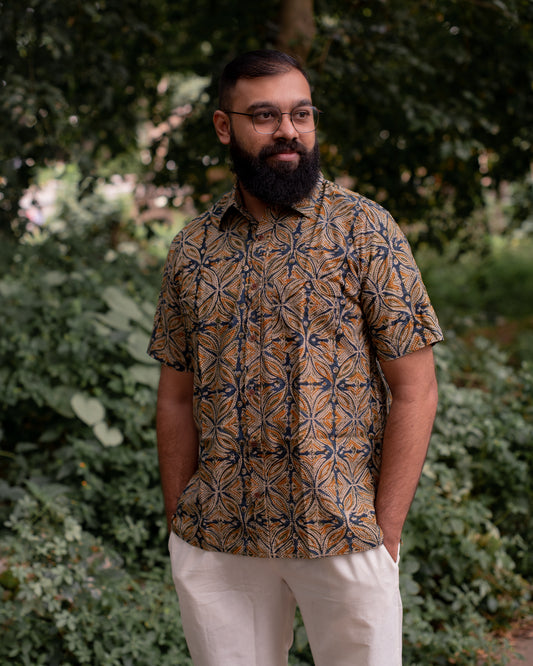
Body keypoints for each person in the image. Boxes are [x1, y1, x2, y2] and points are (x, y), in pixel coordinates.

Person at [148, 49, 443, 666]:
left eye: (301, 113)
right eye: (265, 115)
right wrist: (182, 525)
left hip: (341, 530)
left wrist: (384, 533)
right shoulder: (193, 250)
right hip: (219, 538)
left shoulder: (364, 230)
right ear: (225, 127)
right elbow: (174, 397)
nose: (288, 130)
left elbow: (415, 389)